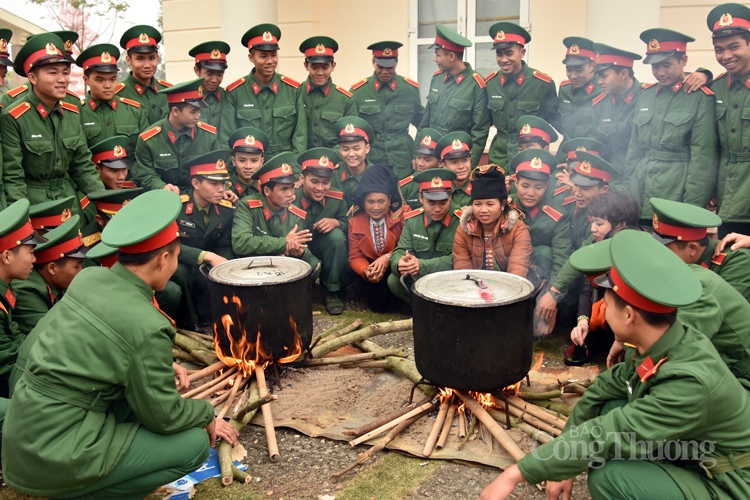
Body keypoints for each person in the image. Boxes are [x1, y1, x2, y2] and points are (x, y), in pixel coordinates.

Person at [2, 190, 239, 499]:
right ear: (164, 258)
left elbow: (106, 347)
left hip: (23, 439)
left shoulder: (89, 280)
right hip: (56, 453)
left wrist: (158, 365)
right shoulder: (147, 324)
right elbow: (165, 415)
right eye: (177, 255)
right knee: (193, 444)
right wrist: (205, 414)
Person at [480, 230, 750, 500]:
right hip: (698, 451)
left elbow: (610, 434)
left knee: (611, 478)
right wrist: (562, 466)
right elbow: (602, 391)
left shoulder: (688, 382)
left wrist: (517, 473)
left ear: (629, 315)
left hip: (728, 479)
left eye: (606, 307)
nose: (604, 316)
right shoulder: (664, 344)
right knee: (608, 407)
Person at [1, 33, 104, 214]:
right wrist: (20, 220)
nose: (63, 79)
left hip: (68, 203)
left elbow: (83, 166)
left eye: (65, 72)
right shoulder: (14, 117)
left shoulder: (71, 113)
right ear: (33, 78)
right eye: (53, 73)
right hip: (35, 207)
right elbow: (13, 177)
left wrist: (104, 201)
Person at [626, 28, 717, 221]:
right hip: (640, 190)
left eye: (666, 65)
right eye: (655, 67)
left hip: (676, 192)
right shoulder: (645, 96)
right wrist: (628, 193)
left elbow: (703, 158)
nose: (660, 72)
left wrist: (692, 207)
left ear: (683, 61)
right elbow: (634, 150)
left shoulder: (699, 97)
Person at [536, 151, 619, 330]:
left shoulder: (612, 215)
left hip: (592, 281)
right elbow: (561, 249)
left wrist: (554, 292)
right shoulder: (569, 204)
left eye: (586, 188)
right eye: (576, 185)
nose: (577, 193)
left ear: (604, 190)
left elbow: (585, 251)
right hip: (568, 271)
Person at [567, 192, 641, 363]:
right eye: (592, 222)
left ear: (621, 225)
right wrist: (583, 322)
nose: (593, 228)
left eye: (599, 223)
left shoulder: (636, 250)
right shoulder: (601, 244)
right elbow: (587, 289)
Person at [220, 24, 307, 155]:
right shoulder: (235, 93)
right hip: (249, 168)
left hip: (284, 167)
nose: (270, 61)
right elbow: (227, 137)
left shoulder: (293, 90)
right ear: (251, 58)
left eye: (273, 55)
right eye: (263, 56)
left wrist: (293, 168)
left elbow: (300, 136)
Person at [171, 150, 235, 329]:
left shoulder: (225, 210)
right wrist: (206, 256)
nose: (221, 189)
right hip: (179, 260)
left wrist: (225, 263)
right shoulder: (177, 207)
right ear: (195, 183)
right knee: (181, 273)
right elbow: (169, 246)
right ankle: (188, 323)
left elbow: (225, 244)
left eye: (223, 183)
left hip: (207, 265)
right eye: (214, 183)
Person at [483, 22, 559, 169]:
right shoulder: (491, 84)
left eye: (509, 53)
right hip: (499, 156)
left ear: (522, 53)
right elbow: (482, 123)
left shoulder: (542, 84)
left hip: (530, 156)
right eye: (499, 54)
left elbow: (558, 121)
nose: (504, 60)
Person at [649, 198, 750, 302]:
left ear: (692, 249)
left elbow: (715, 311)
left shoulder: (739, 262)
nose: (657, 255)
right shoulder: (683, 262)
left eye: (664, 250)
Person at [231, 153, 317, 271]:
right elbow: (240, 243)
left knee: (313, 264)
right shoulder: (248, 206)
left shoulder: (295, 214)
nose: (290, 194)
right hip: (252, 265)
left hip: (283, 265)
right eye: (284, 189)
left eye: (292, 187)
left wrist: (298, 253)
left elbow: (303, 248)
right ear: (267, 191)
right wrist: (283, 243)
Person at [350, 41, 424, 178]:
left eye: (390, 67)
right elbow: (352, 130)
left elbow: (423, 124)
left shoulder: (409, 89)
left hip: (403, 158)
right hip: (371, 158)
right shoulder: (359, 92)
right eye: (380, 66)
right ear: (373, 62)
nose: (385, 72)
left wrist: (418, 153)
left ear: (396, 63)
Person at [420, 23, 489, 168]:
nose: (435, 59)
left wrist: (469, 165)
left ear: (451, 56)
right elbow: (425, 121)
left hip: (456, 161)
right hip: (432, 159)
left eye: (438, 54)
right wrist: (419, 156)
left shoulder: (476, 84)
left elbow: (480, 131)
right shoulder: (437, 79)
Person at [132, 78, 219, 192]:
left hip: (198, 198)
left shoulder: (209, 135)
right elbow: (146, 175)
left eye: (199, 111)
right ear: (175, 111)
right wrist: (161, 186)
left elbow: (217, 169)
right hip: (165, 199)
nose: (198, 116)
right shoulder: (148, 140)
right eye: (193, 112)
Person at [388, 168, 461, 303]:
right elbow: (400, 250)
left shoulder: (461, 220)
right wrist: (400, 263)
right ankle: (421, 310)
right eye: (431, 203)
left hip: (450, 279)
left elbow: (460, 259)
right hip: (421, 278)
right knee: (394, 280)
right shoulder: (412, 220)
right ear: (421, 198)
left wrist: (422, 265)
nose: (437, 209)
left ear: (450, 196)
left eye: (443, 202)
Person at [708, 3, 750, 235]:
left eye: (734, 47)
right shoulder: (716, 87)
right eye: (719, 49)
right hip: (728, 195)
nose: (726, 56)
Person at [294, 148, 349, 314]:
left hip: (322, 245)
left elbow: (348, 224)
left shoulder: (337, 199)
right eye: (314, 181)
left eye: (325, 182)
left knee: (337, 238)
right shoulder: (290, 197)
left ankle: (332, 291)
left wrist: (337, 222)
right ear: (302, 178)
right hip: (297, 248)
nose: (320, 188)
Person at [12, 216, 87, 337]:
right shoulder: (28, 290)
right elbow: (51, 336)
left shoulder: (54, 283)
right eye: (77, 266)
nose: (81, 271)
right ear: (52, 268)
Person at [0, 200, 46, 398]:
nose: (35, 260)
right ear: (7, 256)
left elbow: (18, 340)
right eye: (31, 252)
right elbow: (7, 364)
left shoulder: (5, 289)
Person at [453, 165, 531, 276]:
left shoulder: (517, 229)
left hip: (509, 285)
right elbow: (462, 268)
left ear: (502, 205)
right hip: (475, 285)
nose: (483, 210)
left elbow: (517, 269)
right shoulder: (464, 229)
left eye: (490, 204)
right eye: (478, 204)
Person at [509, 149, 572, 285]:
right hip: (507, 269)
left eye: (538, 187)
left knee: (544, 252)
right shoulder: (503, 207)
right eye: (525, 186)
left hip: (542, 275)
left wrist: (554, 292)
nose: (531, 193)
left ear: (547, 185)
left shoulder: (558, 215)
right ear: (516, 183)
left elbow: (561, 256)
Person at [348, 163, 404, 312]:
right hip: (373, 268)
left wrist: (387, 257)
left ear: (390, 199)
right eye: (370, 202)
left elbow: (409, 247)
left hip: (397, 264)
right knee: (377, 304)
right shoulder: (355, 221)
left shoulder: (402, 215)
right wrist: (366, 271)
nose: (376, 207)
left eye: (381, 201)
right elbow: (355, 256)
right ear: (364, 202)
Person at [589, 43, 645, 191]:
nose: (599, 81)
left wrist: (703, 74)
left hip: (641, 178)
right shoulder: (600, 104)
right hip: (613, 179)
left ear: (624, 74)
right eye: (599, 76)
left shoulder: (648, 97)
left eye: (604, 76)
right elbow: (598, 144)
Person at [77, 43, 149, 154]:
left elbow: (146, 153)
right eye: (100, 80)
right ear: (86, 80)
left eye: (112, 79)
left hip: (130, 171)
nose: (108, 85)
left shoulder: (134, 110)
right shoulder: (77, 113)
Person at [1, 30, 84, 113]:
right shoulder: (13, 99)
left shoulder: (73, 100)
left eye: (66, 68)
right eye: (53, 72)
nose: (62, 77)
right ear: (32, 77)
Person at [299, 36, 357, 149]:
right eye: (314, 67)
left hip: (334, 162)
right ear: (306, 66)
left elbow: (349, 137)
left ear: (333, 66)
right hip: (301, 162)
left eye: (325, 67)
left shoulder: (344, 99)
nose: (320, 73)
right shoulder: (296, 94)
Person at [116, 25, 172, 124]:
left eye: (151, 58)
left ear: (157, 59)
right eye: (140, 59)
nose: (147, 65)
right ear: (128, 60)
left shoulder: (169, 92)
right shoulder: (118, 94)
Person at [557, 37, 602, 145]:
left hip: (591, 155)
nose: (573, 76)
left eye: (579, 70)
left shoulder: (603, 91)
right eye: (568, 70)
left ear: (593, 67)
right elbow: (557, 120)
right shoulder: (565, 89)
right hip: (565, 155)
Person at [188, 41, 230, 134]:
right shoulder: (185, 98)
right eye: (209, 74)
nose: (214, 80)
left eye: (220, 74)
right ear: (196, 71)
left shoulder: (229, 97)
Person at [333, 116, 375, 207]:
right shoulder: (332, 174)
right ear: (340, 150)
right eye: (345, 149)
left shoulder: (379, 176)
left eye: (356, 148)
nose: (351, 154)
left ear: (367, 148)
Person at [398, 128, 443, 210]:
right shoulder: (405, 187)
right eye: (418, 157)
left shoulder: (448, 183)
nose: (420, 163)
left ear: (440, 163)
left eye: (427, 159)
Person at [227, 127, 268, 200]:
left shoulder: (267, 189)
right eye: (242, 160)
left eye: (254, 161)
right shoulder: (224, 189)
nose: (248, 166)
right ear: (233, 161)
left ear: (261, 162)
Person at [435, 132, 474, 208]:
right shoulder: (437, 190)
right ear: (444, 165)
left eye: (465, 160)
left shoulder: (481, 188)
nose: (461, 166)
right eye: (454, 162)